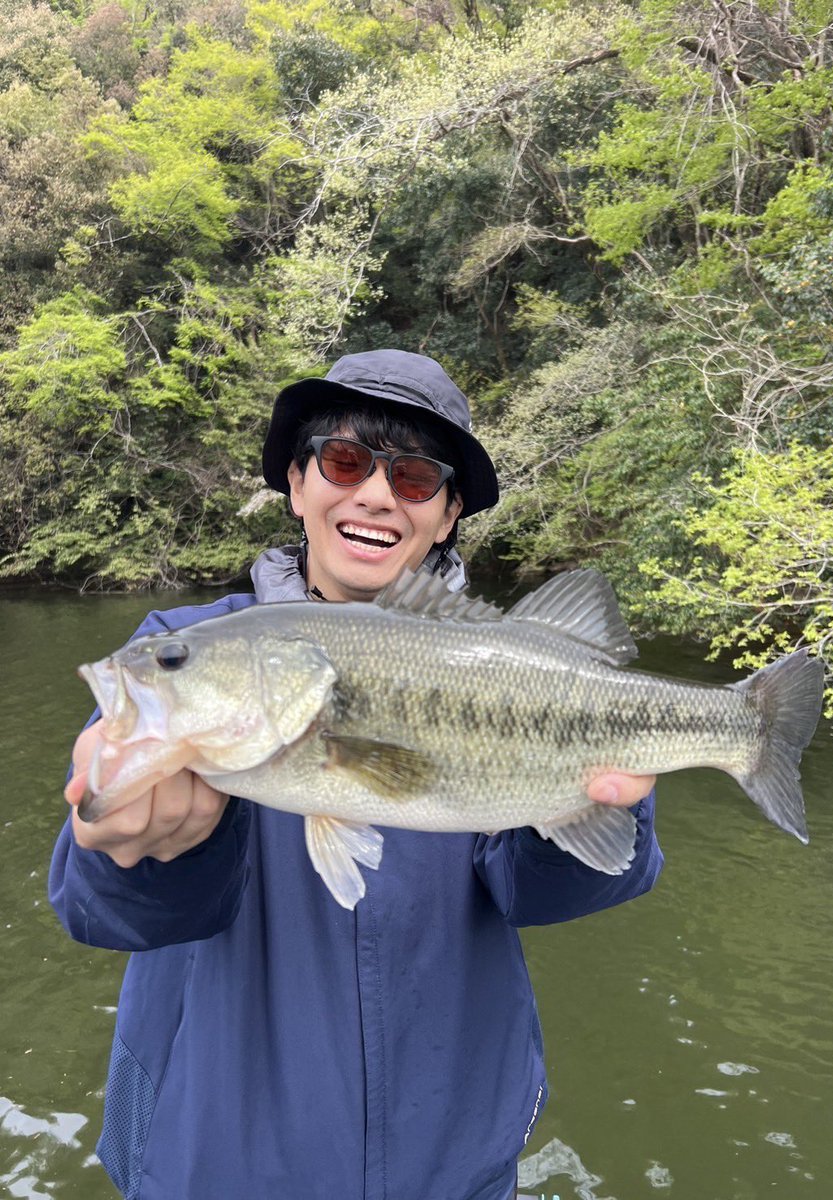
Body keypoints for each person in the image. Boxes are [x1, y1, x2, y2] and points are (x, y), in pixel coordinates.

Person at [49, 350, 662, 1200]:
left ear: (446, 516)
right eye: (344, 461)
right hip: (214, 1159)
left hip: (452, 1159)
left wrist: (582, 809)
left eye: (414, 478)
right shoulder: (184, 641)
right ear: (297, 485)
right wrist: (136, 851)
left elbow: (554, 891)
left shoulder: (519, 672)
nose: (375, 493)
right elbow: (94, 912)